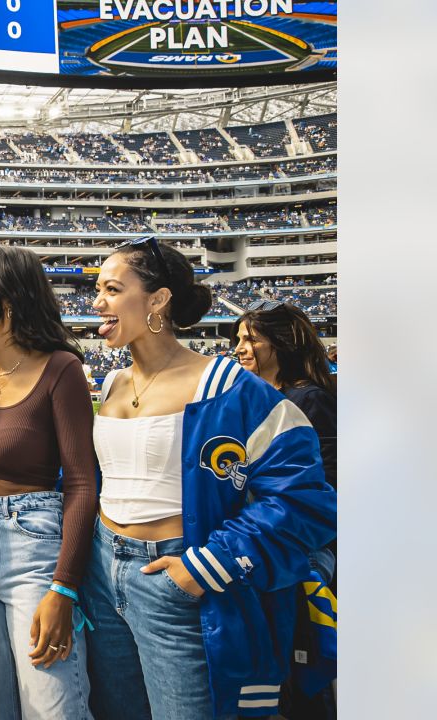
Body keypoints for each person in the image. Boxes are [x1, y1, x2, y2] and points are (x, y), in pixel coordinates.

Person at [84, 236, 336, 719]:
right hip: (101, 576)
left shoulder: (228, 387)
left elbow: (304, 497)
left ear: (158, 299)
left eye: (112, 289)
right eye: (98, 290)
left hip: (175, 576)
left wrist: (207, 565)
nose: (97, 302)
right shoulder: (112, 381)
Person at [0, 246, 98, 720]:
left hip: (36, 546)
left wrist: (63, 588)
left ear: (7, 301)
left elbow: (81, 483)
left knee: (52, 707)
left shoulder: (61, 369)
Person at [231, 300, 338, 719]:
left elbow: (323, 490)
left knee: (301, 675)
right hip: (263, 549)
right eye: (237, 338)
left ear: (280, 343)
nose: (240, 348)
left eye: (250, 339)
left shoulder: (309, 400)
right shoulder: (254, 399)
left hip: (298, 556)